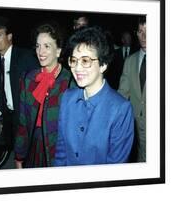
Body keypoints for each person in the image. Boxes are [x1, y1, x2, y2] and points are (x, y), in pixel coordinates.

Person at [54, 26, 134, 166]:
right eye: (74, 60)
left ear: (103, 65)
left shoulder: (121, 109)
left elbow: (115, 169)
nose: (77, 68)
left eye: (85, 61)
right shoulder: (67, 98)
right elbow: (61, 152)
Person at [14, 22, 72, 168]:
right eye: (38, 46)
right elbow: (23, 123)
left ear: (58, 51)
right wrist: (19, 156)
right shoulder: (28, 79)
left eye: (47, 46)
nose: (41, 51)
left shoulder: (69, 82)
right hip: (33, 147)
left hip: (57, 150)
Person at [0, 16, 39, 155]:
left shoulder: (25, 56)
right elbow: (5, 91)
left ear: (9, 36)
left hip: (27, 120)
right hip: (11, 120)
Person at [118, 17, 146, 162]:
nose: (144, 36)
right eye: (141, 31)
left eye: (148, 31)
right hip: (138, 125)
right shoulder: (130, 61)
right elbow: (122, 93)